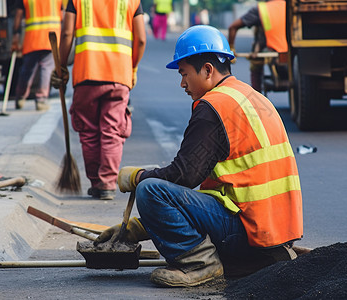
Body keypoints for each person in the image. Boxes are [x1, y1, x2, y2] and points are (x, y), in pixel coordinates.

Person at [95, 25, 303, 287]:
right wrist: (139, 227)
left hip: (248, 233)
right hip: (275, 233)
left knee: (150, 191)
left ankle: (200, 263)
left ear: (207, 69)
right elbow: (212, 195)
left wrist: (138, 177)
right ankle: (260, 257)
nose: (182, 83)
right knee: (157, 190)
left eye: (184, 74)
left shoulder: (214, 106)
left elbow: (183, 176)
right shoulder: (252, 97)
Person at [50, 0, 146, 200]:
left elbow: (67, 34)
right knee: (112, 130)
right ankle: (107, 184)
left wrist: (61, 67)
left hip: (87, 74)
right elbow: (141, 40)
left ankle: (96, 183)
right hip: (119, 75)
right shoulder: (131, 1)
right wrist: (133, 68)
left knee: (89, 131)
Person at [11, 0, 63, 111]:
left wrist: (15, 35)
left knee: (27, 70)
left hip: (33, 40)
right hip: (51, 38)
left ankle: (20, 97)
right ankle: (41, 100)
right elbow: (62, 16)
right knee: (46, 69)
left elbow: (18, 17)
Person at [228, 0, 287, 93]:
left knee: (255, 62)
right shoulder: (291, 7)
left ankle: (256, 94)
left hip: (274, 51)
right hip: (293, 54)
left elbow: (232, 27)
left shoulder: (262, 9)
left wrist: (231, 49)